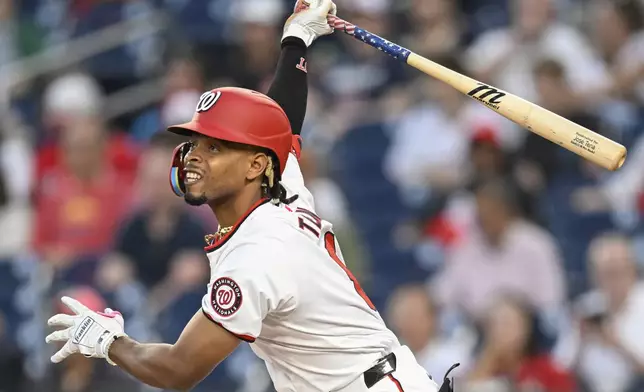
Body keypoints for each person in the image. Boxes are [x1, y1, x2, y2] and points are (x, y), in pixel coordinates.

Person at [43, 1, 458, 391]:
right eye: (194, 143)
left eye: (215, 147)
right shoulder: (282, 188)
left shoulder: (257, 256)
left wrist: (109, 343)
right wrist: (296, 39)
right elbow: (283, 120)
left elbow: (178, 370)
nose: (193, 157)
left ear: (255, 166)